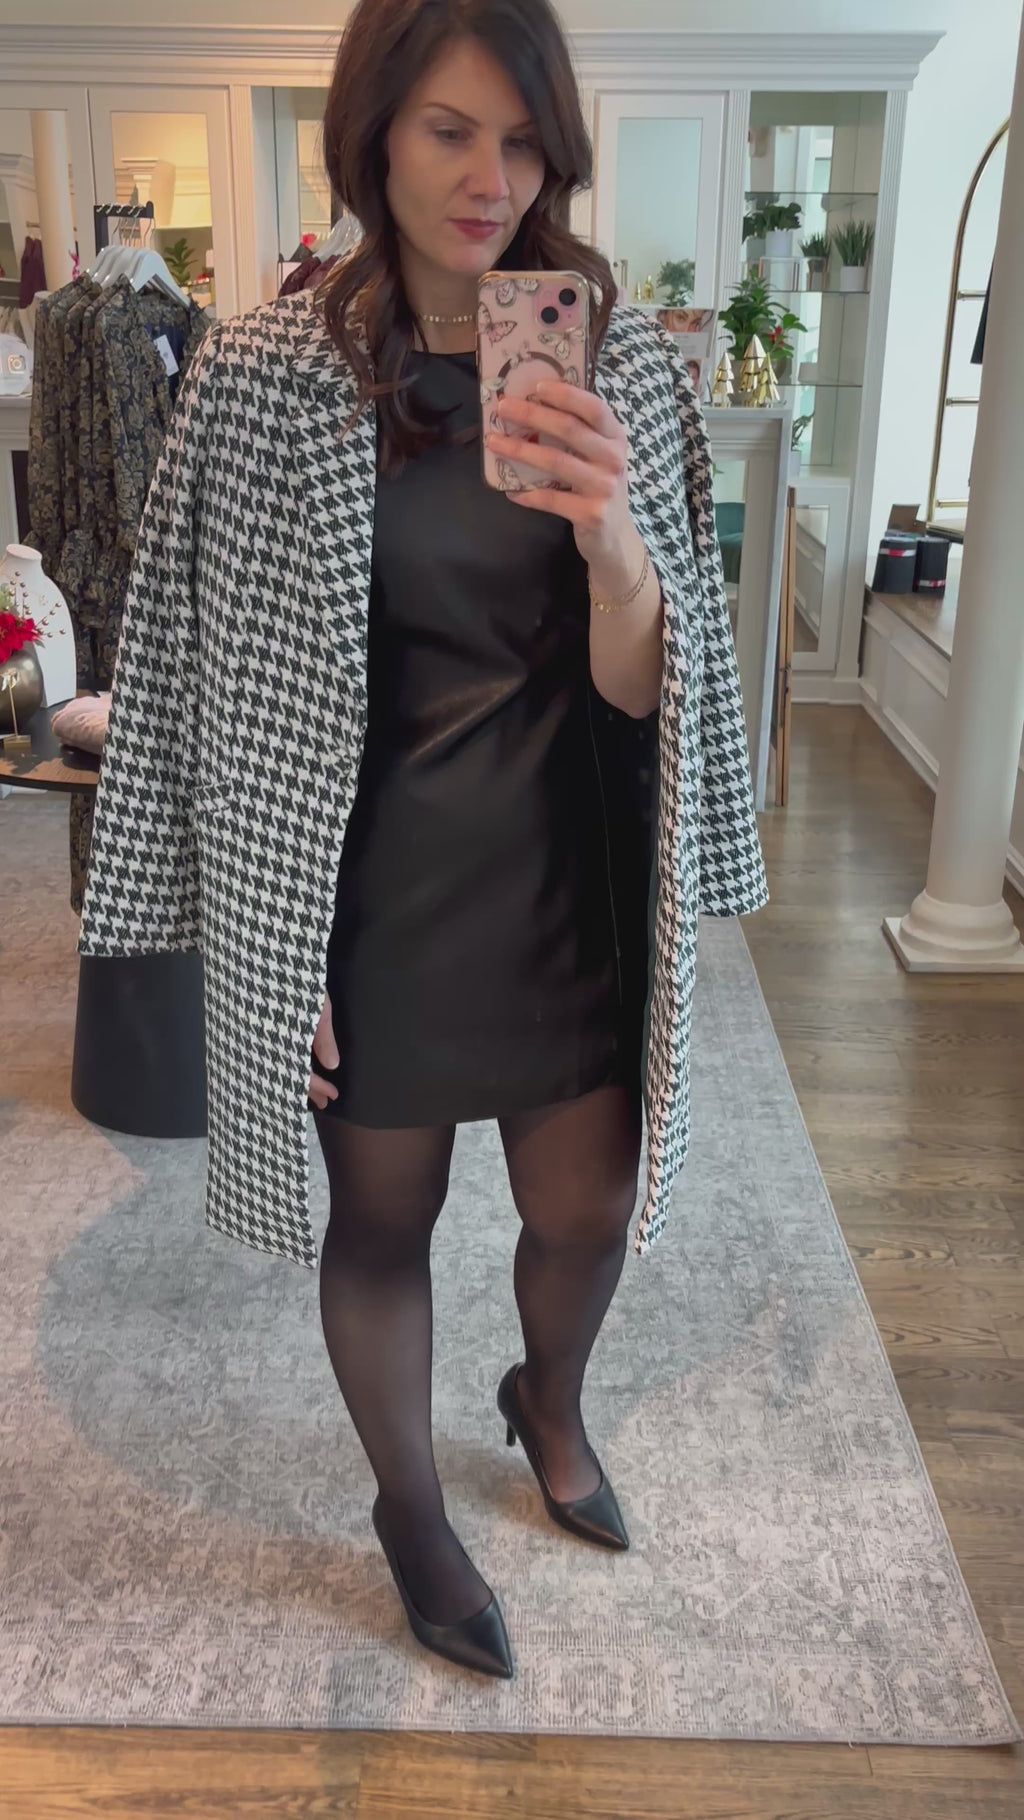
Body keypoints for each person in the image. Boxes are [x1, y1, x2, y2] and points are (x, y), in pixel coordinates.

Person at [77, 0, 769, 1683]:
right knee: (382, 1219)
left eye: (521, 141)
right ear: (375, 131)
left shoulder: (619, 361)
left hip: (563, 870)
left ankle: (549, 1397)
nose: (488, 178)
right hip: (368, 887)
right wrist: (268, 941)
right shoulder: (262, 376)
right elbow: (201, 679)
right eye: (449, 130)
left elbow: (647, 688)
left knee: (589, 1205)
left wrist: (614, 545)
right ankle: (409, 1508)